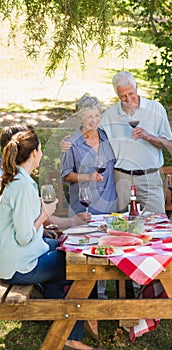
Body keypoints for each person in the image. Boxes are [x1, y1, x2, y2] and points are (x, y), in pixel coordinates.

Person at [0, 129, 95, 350]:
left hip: (15, 255)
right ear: (34, 153)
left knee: (62, 249)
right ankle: (72, 336)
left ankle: (60, 320)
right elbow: (24, 237)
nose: (42, 153)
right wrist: (45, 213)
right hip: (17, 265)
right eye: (40, 149)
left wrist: (66, 222)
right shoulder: (21, 187)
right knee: (77, 266)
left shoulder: (20, 181)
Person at [100, 71, 172, 213]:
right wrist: (71, 141)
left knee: (156, 221)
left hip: (150, 176)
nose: (128, 99)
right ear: (117, 95)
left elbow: (170, 144)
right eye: (123, 96)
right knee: (120, 224)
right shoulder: (109, 115)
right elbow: (91, 134)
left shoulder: (155, 109)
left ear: (137, 87)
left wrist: (149, 137)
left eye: (131, 94)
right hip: (121, 178)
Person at [0, 124, 91, 235]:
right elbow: (25, 234)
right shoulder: (19, 183)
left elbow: (27, 220)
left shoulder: (18, 176)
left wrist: (42, 231)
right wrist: (73, 221)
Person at [60, 93, 117, 215]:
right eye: (89, 117)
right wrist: (88, 177)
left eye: (97, 115)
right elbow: (66, 175)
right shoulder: (71, 144)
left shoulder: (108, 137)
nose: (95, 120)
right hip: (83, 211)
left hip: (109, 210)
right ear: (80, 118)